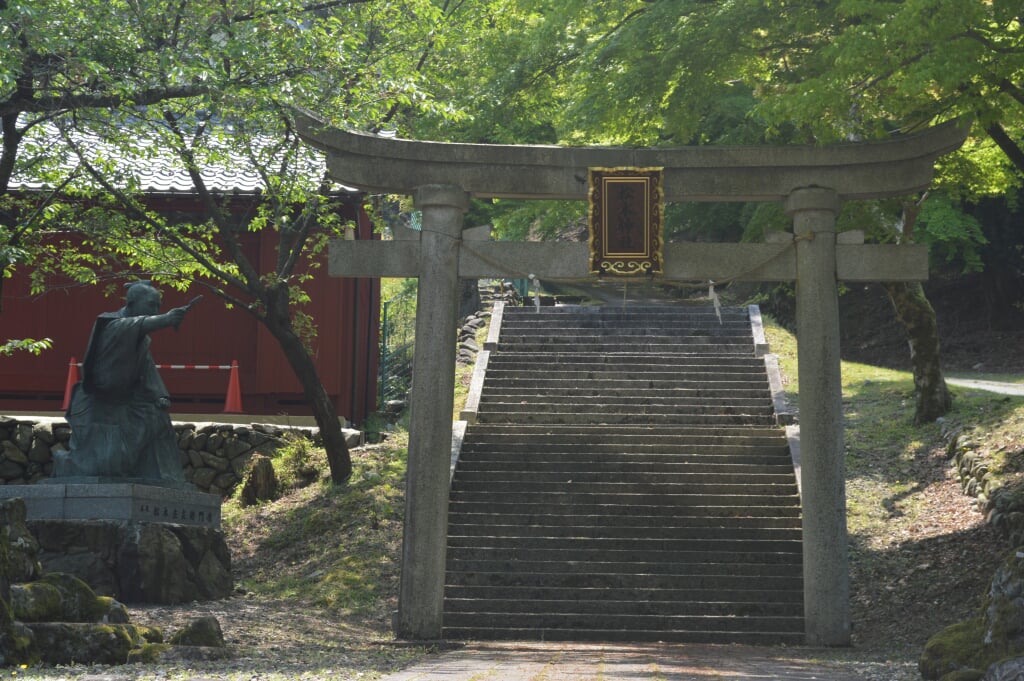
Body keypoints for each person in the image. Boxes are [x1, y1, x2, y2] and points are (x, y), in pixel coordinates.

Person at [53, 281, 198, 485]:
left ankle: (164, 478)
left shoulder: (140, 338)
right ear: (132, 303)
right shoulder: (112, 325)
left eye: (158, 306)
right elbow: (137, 324)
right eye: (151, 305)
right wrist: (166, 319)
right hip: (98, 404)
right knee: (106, 463)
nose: (155, 310)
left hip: (127, 402)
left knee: (157, 417)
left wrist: (160, 395)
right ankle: (69, 464)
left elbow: (147, 369)